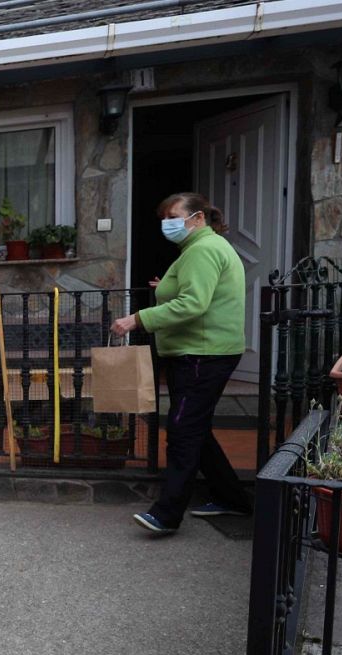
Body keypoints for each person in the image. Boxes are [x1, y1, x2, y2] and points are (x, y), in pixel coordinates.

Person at [112, 191, 252, 534]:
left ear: (199, 218)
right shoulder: (206, 248)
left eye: (174, 217)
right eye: (164, 218)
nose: (168, 224)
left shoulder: (202, 250)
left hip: (201, 354)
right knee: (196, 428)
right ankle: (231, 498)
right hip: (205, 351)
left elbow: (193, 304)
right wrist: (168, 287)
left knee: (183, 431)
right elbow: (199, 293)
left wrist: (137, 319)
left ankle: (167, 513)